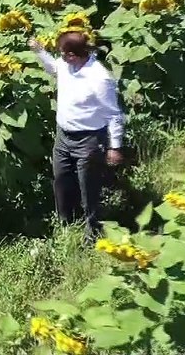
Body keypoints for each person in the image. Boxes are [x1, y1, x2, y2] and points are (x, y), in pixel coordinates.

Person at [28, 30, 126, 245]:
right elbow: (54, 69)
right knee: (61, 181)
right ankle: (66, 225)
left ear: (74, 54)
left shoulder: (99, 78)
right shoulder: (65, 65)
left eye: (63, 53)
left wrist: (115, 147)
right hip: (63, 136)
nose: (61, 57)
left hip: (89, 140)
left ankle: (93, 233)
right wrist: (39, 52)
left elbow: (113, 114)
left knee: (88, 187)